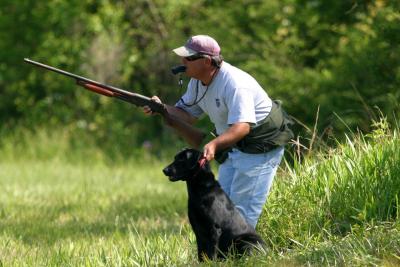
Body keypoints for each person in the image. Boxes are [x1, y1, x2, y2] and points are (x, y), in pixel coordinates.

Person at [144, 35, 293, 228]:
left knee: (242, 213)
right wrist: (160, 107)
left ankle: (247, 255)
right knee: (222, 206)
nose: (182, 62)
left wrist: (214, 144)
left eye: (188, 58)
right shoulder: (197, 81)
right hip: (234, 144)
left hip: (260, 145)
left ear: (206, 61)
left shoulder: (235, 84)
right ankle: (225, 256)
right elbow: (187, 115)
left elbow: (243, 127)